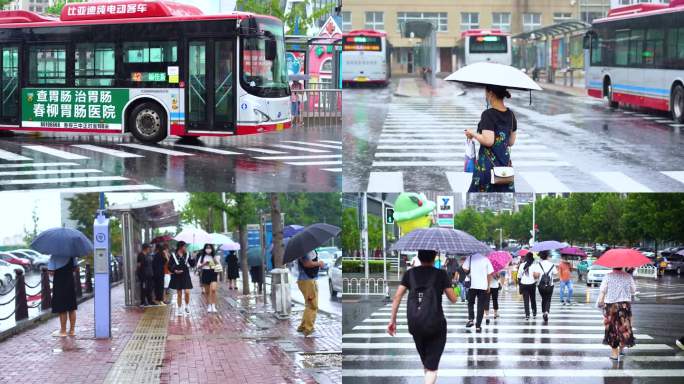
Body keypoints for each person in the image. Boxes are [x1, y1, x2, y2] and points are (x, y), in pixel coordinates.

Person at [387, 250, 457, 384]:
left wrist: (392, 321)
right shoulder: (441, 274)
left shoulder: (410, 273)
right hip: (435, 324)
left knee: (427, 362)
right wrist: (448, 285)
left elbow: (397, 297)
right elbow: (453, 298)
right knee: (432, 367)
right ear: (434, 257)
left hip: (415, 323)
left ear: (418, 257)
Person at [465, 84, 518, 193]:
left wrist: (472, 133)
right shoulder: (511, 115)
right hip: (504, 168)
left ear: (490, 93)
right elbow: (511, 142)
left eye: (485, 92)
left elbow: (488, 141)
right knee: (503, 202)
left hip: (487, 168)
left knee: (477, 201)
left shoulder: (488, 114)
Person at [597, 267, 636, 360]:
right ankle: (621, 349)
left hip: (611, 307)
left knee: (612, 329)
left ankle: (614, 354)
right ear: (622, 266)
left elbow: (603, 291)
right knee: (624, 328)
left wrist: (600, 302)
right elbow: (633, 290)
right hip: (624, 307)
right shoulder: (628, 277)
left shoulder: (608, 276)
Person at [297, 250, 326, 336]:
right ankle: (308, 328)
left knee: (309, 304)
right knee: (312, 305)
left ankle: (302, 326)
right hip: (307, 280)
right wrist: (319, 263)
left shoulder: (304, 249)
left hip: (306, 280)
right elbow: (307, 263)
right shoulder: (304, 250)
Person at [463, 253, 494, 332]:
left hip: (472, 285)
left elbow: (464, 268)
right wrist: (489, 285)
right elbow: (490, 274)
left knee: (470, 302)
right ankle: (478, 326)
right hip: (483, 286)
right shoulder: (486, 259)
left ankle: (471, 319)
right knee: (481, 306)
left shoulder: (470, 258)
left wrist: (470, 270)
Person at [50, 258, 78, 337]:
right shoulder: (72, 256)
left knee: (62, 308)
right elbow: (75, 268)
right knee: (71, 307)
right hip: (70, 282)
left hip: (59, 283)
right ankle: (72, 331)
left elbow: (51, 272)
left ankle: (63, 331)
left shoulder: (54, 256)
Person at [532, 251, 558, 323]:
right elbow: (556, 274)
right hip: (550, 285)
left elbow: (536, 276)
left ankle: (544, 312)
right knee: (548, 299)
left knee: (543, 298)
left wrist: (535, 275)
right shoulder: (552, 264)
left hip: (541, 285)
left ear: (541, 257)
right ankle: (546, 312)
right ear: (547, 257)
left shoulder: (538, 265)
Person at [169, 241, 193, 317]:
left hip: (186, 275)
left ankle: (187, 306)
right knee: (179, 294)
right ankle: (179, 308)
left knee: (187, 292)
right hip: (177, 276)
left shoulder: (188, 254)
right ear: (181, 247)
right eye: (184, 246)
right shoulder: (173, 255)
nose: (185, 248)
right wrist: (175, 271)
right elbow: (169, 266)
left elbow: (192, 264)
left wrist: (192, 258)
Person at [197, 244, 221, 313]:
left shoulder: (215, 256)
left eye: (209, 248)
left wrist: (214, 261)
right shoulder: (202, 257)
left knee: (213, 290)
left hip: (213, 273)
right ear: (204, 249)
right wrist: (204, 264)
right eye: (207, 248)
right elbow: (198, 267)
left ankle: (213, 305)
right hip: (205, 273)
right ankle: (209, 305)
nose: (208, 249)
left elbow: (219, 266)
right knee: (207, 292)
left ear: (212, 249)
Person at [518, 253, 537, 320]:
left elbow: (519, 276)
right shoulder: (534, 265)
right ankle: (534, 313)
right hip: (532, 284)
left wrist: (519, 285)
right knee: (533, 299)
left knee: (526, 300)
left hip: (524, 284)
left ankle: (527, 315)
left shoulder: (522, 265)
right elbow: (536, 276)